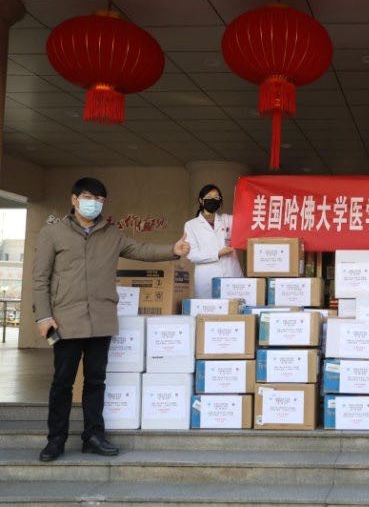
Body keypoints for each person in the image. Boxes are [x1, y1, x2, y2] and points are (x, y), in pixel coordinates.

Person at [33, 178, 191, 462]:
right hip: (65, 322)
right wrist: (43, 316)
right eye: (88, 197)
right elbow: (40, 278)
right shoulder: (53, 233)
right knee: (62, 383)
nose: (93, 203)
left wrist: (173, 250)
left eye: (99, 199)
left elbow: (140, 249)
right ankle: (55, 439)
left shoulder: (111, 234)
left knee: (96, 381)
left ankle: (93, 436)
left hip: (101, 320)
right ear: (74, 200)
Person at [183, 184, 243, 298]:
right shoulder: (191, 225)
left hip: (231, 274)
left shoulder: (228, 220)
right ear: (201, 200)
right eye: (209, 197)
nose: (213, 200)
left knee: (235, 306)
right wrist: (218, 254)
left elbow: (247, 222)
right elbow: (193, 255)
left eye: (216, 198)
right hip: (207, 279)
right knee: (209, 307)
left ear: (220, 202)